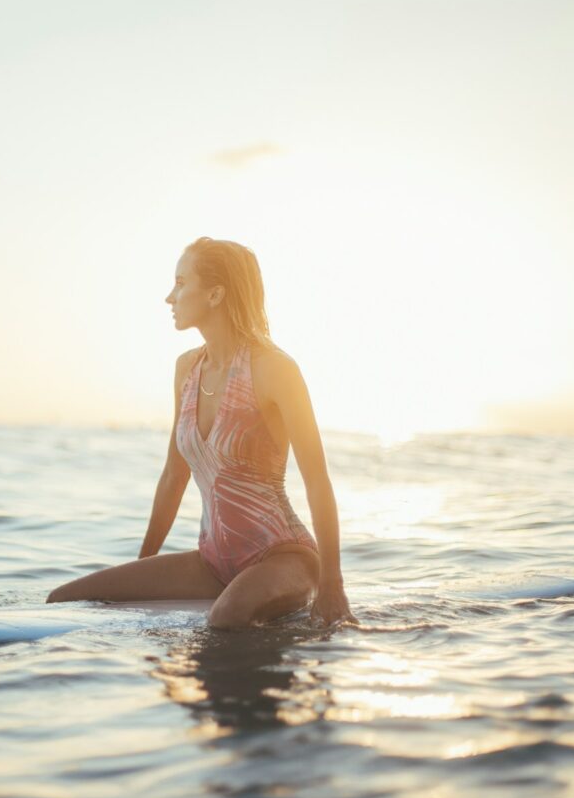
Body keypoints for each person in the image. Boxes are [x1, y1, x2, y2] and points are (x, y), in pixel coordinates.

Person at [47, 237, 353, 629]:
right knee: (65, 599)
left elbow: (317, 480)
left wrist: (332, 583)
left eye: (180, 283)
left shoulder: (274, 369)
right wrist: (144, 569)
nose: (168, 297)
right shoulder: (187, 369)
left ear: (215, 294)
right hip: (212, 562)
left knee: (226, 618)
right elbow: (175, 475)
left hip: (283, 557)